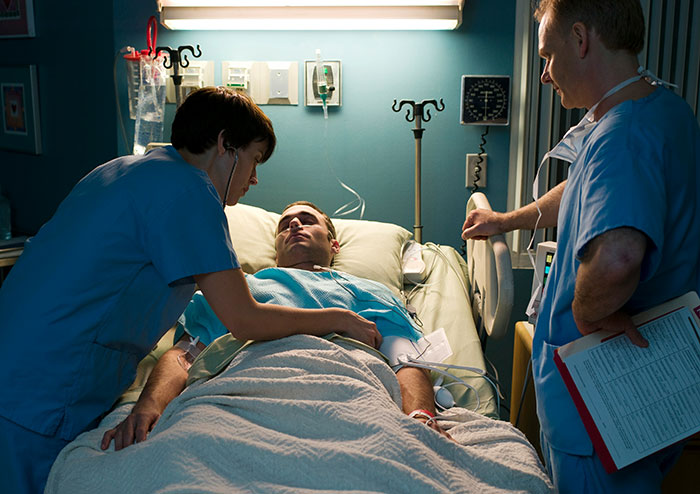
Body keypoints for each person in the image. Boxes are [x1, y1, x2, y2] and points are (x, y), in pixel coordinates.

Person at [0, 88, 380, 494]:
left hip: (18, 357)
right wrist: (339, 318)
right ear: (224, 144)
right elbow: (243, 318)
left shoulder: (121, 169)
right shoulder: (190, 193)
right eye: (253, 160)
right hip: (43, 389)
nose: (254, 178)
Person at [461, 1, 699, 492]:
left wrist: (586, 315)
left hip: (602, 396)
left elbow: (617, 257)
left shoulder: (623, 136)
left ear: (581, 39)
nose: (545, 75)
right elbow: (584, 187)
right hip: (651, 381)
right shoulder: (664, 111)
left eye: (547, 57)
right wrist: (506, 221)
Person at [100, 201, 452, 452]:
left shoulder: (367, 290)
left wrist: (420, 415)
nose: (294, 225)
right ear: (276, 247)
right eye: (285, 225)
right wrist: (148, 407)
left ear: (334, 244)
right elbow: (184, 355)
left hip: (348, 388)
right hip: (240, 389)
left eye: (306, 220)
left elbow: (404, 359)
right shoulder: (237, 289)